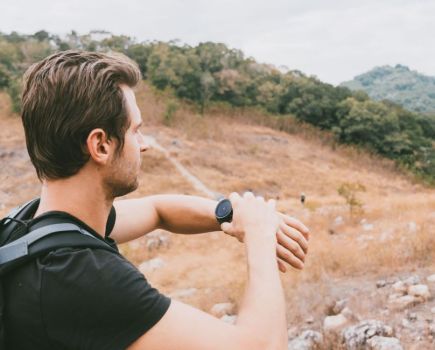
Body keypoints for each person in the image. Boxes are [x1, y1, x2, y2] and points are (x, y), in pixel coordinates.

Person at [4, 50, 310, 350]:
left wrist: (231, 215)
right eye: (135, 131)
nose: (144, 145)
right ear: (100, 145)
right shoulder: (83, 278)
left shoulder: (27, 228)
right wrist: (259, 235)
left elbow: (158, 210)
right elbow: (262, 346)